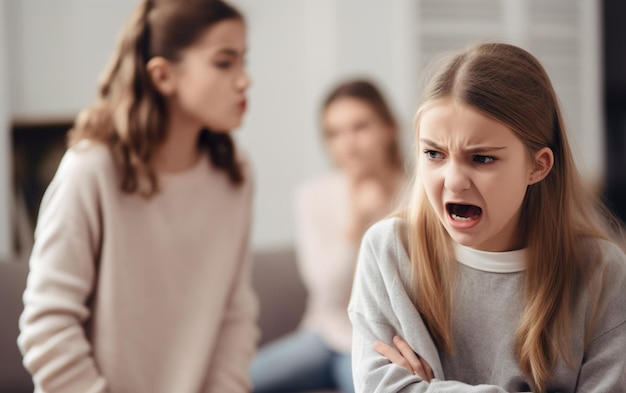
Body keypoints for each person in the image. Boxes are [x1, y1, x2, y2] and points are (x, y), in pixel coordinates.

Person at [349, 42, 626, 392]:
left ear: (537, 166)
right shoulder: (388, 250)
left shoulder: (602, 272)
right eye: (433, 153)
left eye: (481, 158)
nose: (453, 181)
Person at [18, 1, 258, 392]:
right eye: (224, 63)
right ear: (163, 76)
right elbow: (47, 327)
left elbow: (235, 316)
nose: (245, 80)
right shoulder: (91, 169)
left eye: (244, 62)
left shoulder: (235, 176)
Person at [251, 80, 406, 393]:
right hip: (324, 336)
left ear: (388, 128)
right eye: (334, 133)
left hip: (385, 348)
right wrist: (358, 223)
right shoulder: (313, 196)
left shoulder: (417, 195)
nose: (347, 144)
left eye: (359, 127)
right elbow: (327, 292)